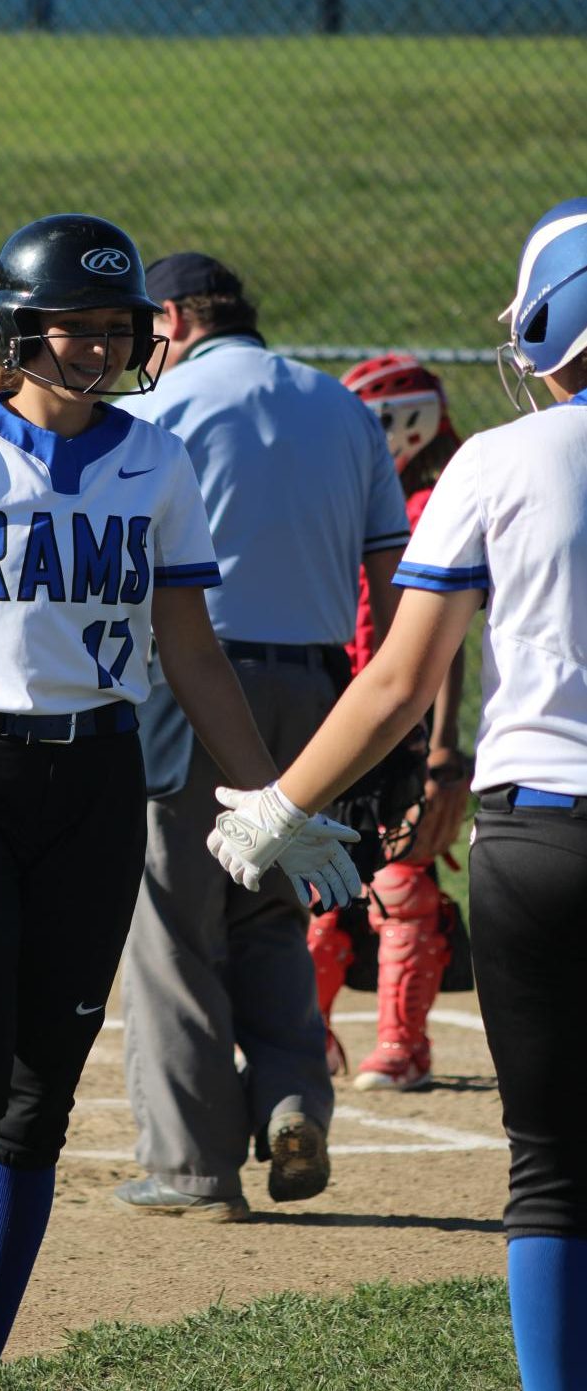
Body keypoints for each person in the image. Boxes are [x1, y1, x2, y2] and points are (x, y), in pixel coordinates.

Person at [0, 214, 360, 1391]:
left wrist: (266, 795)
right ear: (16, 330)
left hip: (99, 781)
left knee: (36, 1097)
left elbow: (190, 649)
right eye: (78, 327)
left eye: (118, 328)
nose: (102, 348)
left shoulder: (153, 457)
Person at [210, 197, 587, 1391]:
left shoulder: (501, 458)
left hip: (544, 838)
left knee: (551, 1168)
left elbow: (394, 680)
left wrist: (274, 803)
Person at [111, 251, 410, 1223]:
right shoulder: (340, 405)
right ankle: (289, 1099)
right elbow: (390, 573)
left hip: (191, 681)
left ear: (171, 316)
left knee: (171, 920)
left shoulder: (157, 412)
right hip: (323, 695)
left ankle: (191, 1166)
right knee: (273, 910)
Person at [307, 355, 474, 1092]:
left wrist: (439, 749)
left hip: (397, 729)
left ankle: (403, 1044)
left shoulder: (432, 506)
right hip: (340, 717)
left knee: (402, 885)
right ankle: (304, 1035)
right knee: (316, 887)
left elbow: (443, 649)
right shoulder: (357, 502)